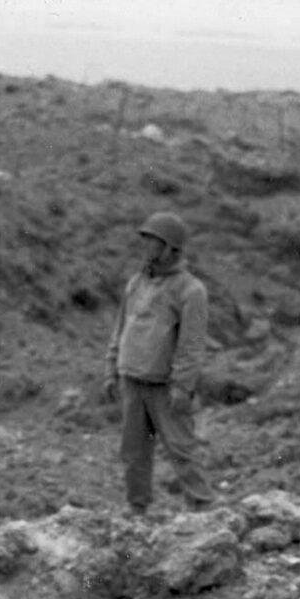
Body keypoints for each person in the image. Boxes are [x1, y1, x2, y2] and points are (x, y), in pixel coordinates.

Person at [104, 210, 212, 513]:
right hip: (131, 378)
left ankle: (203, 506)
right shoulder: (136, 283)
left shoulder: (191, 290)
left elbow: (191, 345)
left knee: (181, 447)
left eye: (154, 242)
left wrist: (182, 386)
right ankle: (137, 507)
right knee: (133, 451)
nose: (147, 248)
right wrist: (110, 369)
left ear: (171, 248)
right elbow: (120, 327)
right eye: (147, 241)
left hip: (165, 385)